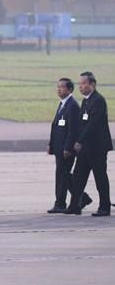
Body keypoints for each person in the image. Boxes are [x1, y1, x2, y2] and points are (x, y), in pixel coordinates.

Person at [66, 72, 112, 216]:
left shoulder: (98, 100)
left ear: (92, 84)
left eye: (83, 84)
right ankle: (75, 205)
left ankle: (104, 207)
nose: (80, 87)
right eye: (79, 84)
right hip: (85, 148)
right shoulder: (86, 101)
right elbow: (82, 124)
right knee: (78, 177)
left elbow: (93, 124)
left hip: (97, 147)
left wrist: (80, 141)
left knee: (100, 177)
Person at [47, 78, 92, 213]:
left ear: (70, 89)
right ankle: (81, 197)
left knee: (63, 175)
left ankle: (61, 203)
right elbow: (56, 126)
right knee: (63, 175)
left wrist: (68, 148)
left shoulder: (72, 106)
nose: (59, 89)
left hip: (66, 149)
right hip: (59, 147)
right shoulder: (63, 104)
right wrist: (51, 144)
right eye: (58, 87)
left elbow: (73, 130)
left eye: (62, 87)